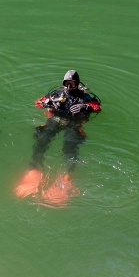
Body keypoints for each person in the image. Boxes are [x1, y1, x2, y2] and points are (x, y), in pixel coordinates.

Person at [15, 70, 101, 205]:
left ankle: (67, 176)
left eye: (72, 84)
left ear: (77, 84)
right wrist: (48, 104)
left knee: (69, 145)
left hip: (74, 124)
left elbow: (96, 106)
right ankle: (35, 168)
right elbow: (38, 102)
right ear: (63, 84)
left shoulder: (84, 97)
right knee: (42, 138)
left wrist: (85, 107)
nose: (69, 87)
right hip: (56, 120)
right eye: (66, 84)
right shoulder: (57, 94)